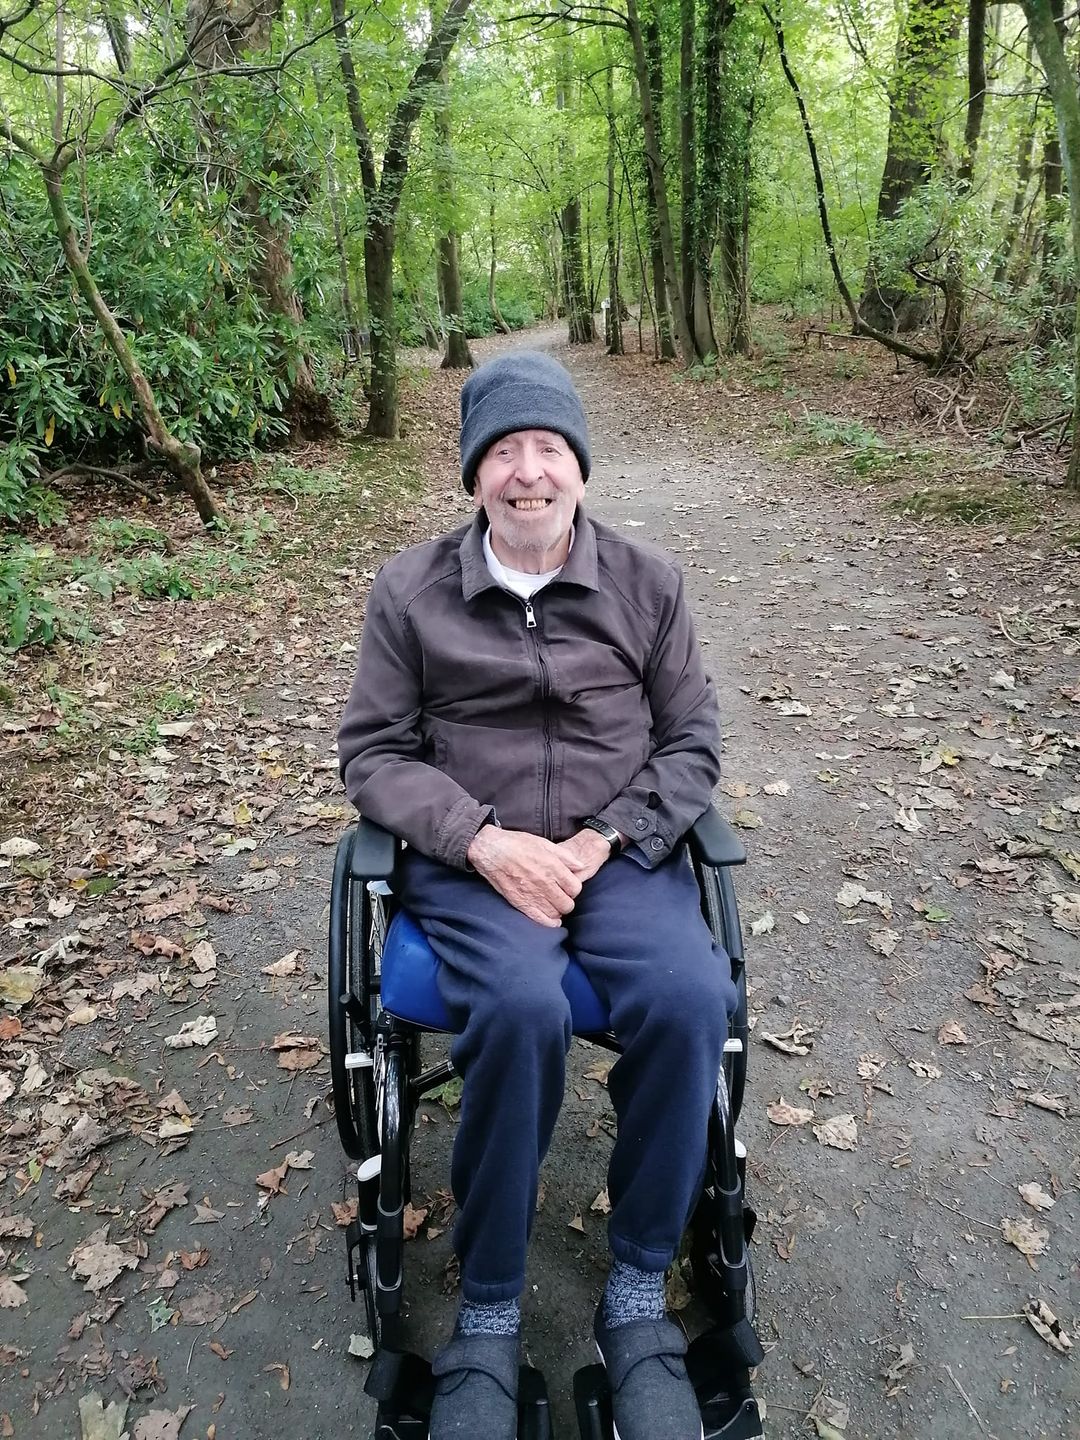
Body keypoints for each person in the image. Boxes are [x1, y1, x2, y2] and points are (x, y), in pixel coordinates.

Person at [337, 351, 736, 1440]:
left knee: (693, 998)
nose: (526, 473)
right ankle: (492, 1304)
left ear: (579, 469)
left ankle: (641, 1290)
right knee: (519, 1010)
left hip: (619, 856)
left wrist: (608, 837)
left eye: (547, 450)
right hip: (475, 863)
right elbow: (372, 752)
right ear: (473, 476)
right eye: (502, 452)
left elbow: (694, 741)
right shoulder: (411, 592)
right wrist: (483, 840)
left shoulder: (649, 585)